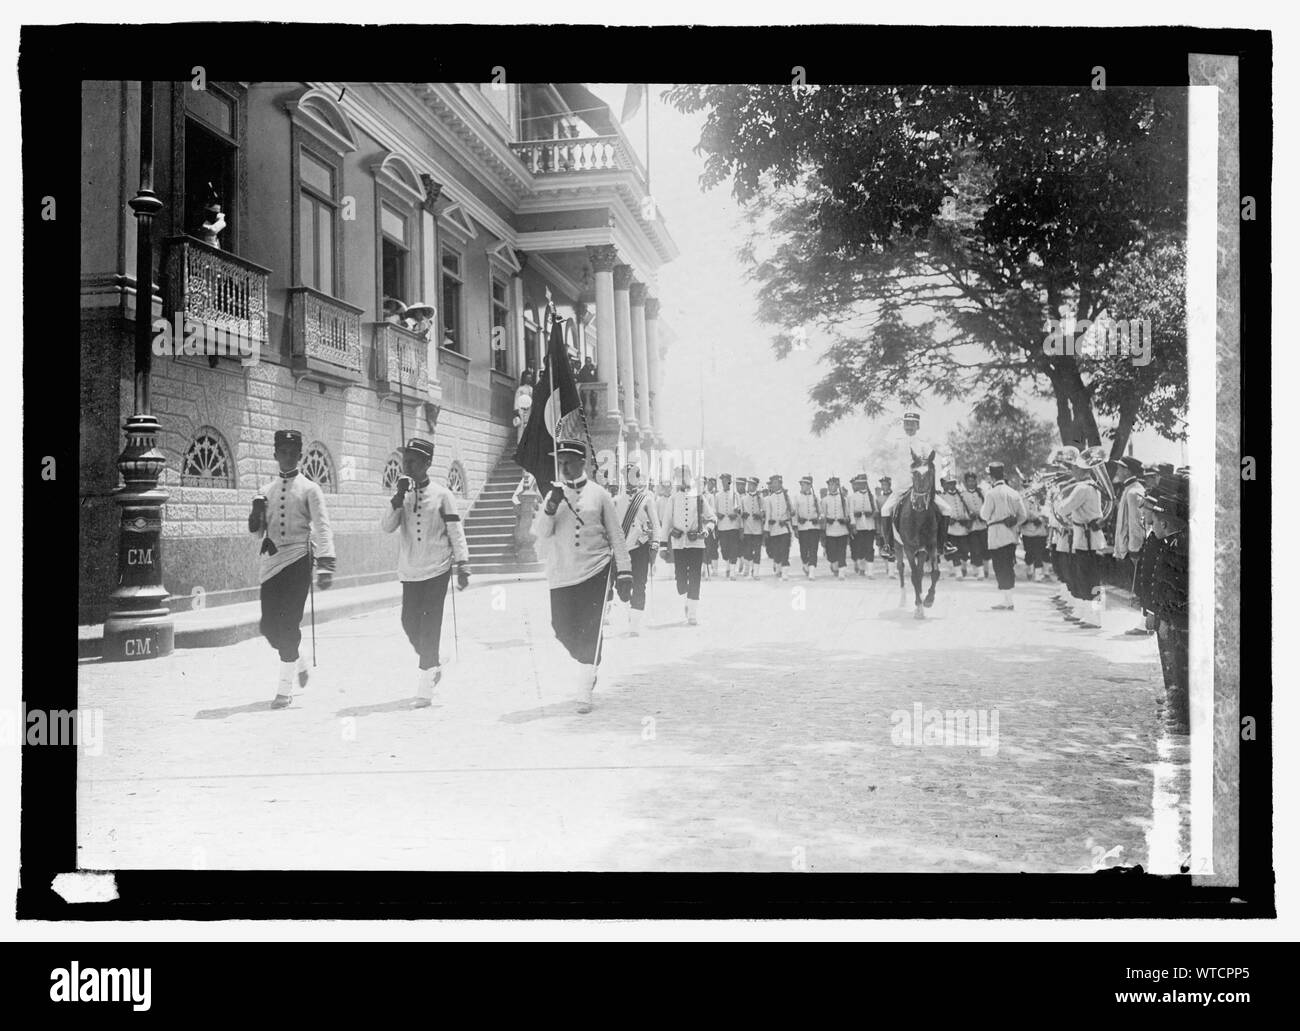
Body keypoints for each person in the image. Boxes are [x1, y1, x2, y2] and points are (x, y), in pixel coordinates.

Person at [532, 439, 633, 713]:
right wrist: (550, 507)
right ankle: (590, 661)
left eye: (568, 462)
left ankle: (584, 686)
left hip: (596, 571)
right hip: (562, 573)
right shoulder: (553, 494)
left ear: (583, 462)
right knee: (561, 628)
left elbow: (616, 535)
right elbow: (540, 533)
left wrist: (624, 571)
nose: (563, 467)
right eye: (560, 462)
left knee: (591, 629)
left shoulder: (600, 495)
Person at [380, 437, 471, 707]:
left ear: (427, 463)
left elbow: (455, 530)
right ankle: (432, 663)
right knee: (409, 622)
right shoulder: (402, 495)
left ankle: (424, 687)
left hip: (438, 567)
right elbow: (386, 527)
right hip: (410, 570)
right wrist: (397, 498)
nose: (406, 466)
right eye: (404, 461)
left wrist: (463, 563)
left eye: (413, 462)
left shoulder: (443, 495)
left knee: (430, 624)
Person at [248, 429, 336, 708]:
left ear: (300, 456)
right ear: (275, 455)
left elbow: (322, 526)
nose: (287, 457)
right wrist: (256, 512)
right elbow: (256, 533)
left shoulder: (311, 489)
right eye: (282, 452)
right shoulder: (265, 491)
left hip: (299, 560)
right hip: (272, 564)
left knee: (288, 623)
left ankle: (284, 689)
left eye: (292, 453)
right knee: (268, 627)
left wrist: (325, 564)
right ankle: (297, 657)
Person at [1135, 473, 1189, 729]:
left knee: (1179, 665)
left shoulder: (1177, 544)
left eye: (1153, 516)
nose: (1149, 520)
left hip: (1175, 617)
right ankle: (1175, 704)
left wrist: (1162, 613)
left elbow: (1174, 586)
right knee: (1172, 663)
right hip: (1166, 613)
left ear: (1165, 523)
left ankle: (1181, 714)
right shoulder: (1167, 540)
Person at [878, 411, 956, 561]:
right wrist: (888, 425)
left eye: (912, 424)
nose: (909, 427)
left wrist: (944, 469)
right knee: (885, 510)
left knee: (947, 508)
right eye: (906, 424)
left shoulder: (923, 444)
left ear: (918, 426)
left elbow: (939, 457)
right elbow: (878, 442)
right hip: (901, 488)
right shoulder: (897, 442)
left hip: (921, 489)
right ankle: (888, 546)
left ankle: (943, 543)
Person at [660, 465, 717, 625]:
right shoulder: (672, 498)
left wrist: (705, 531)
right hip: (678, 544)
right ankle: (687, 599)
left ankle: (692, 612)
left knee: (695, 577)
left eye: (685, 476)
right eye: (679, 476)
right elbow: (666, 523)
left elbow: (712, 518)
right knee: (680, 580)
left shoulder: (699, 497)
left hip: (696, 544)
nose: (682, 479)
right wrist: (663, 546)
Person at [613, 463, 661, 636]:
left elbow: (655, 524)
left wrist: (655, 543)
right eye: (627, 475)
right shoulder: (617, 500)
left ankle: (634, 624)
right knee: (623, 589)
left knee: (640, 585)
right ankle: (629, 611)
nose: (630, 479)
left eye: (634, 475)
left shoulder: (647, 498)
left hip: (640, 548)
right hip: (623, 550)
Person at [1056, 454, 1107, 607]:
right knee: (1091, 578)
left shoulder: (1082, 488)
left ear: (1080, 469)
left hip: (1086, 540)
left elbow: (1063, 509)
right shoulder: (1092, 486)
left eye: (1073, 469)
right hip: (1090, 538)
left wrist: (1059, 499)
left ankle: (1092, 617)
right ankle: (1089, 614)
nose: (1072, 472)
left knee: (1087, 578)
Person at [979, 461, 1027, 610]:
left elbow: (984, 515)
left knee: (1000, 566)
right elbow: (1023, 515)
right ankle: (1008, 599)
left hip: (996, 534)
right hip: (1011, 534)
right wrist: (1014, 522)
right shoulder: (1014, 492)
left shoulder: (991, 493)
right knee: (1008, 565)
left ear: (991, 477)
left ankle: (1008, 601)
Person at [954, 471, 990, 579]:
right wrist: (969, 517)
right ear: (965, 482)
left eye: (973, 480)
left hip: (983, 526)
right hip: (971, 527)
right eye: (969, 481)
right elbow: (961, 510)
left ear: (976, 481)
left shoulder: (982, 493)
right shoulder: (962, 496)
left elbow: (987, 507)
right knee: (975, 548)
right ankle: (980, 571)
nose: (971, 483)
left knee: (985, 548)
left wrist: (982, 515)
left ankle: (984, 568)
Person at [762, 474, 795, 579]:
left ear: (781, 484)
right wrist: (766, 529)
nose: (774, 485)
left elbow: (792, 511)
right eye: (773, 483)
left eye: (777, 483)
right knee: (776, 551)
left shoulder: (786, 496)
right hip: (774, 529)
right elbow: (768, 516)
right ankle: (778, 566)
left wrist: (789, 519)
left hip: (784, 528)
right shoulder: (769, 499)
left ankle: (785, 572)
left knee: (785, 550)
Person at [821, 474, 852, 579]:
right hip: (830, 530)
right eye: (830, 485)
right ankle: (834, 565)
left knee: (842, 552)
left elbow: (848, 513)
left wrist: (846, 519)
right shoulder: (825, 500)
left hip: (842, 529)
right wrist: (825, 520)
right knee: (832, 554)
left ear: (837, 486)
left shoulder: (844, 499)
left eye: (834, 485)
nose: (831, 487)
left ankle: (842, 572)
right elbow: (822, 514)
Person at [713, 473, 743, 579]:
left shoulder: (735, 494)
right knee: (724, 550)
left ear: (730, 482)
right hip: (722, 526)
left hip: (733, 526)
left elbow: (740, 510)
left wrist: (735, 514)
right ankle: (727, 567)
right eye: (723, 481)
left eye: (726, 481)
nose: (724, 483)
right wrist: (718, 515)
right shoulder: (717, 495)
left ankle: (732, 572)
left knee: (733, 548)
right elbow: (713, 510)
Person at [939, 473, 969, 575]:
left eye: (953, 483)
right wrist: (947, 520)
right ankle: (958, 572)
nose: (951, 486)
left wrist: (965, 519)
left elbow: (966, 509)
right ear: (946, 485)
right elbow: (940, 513)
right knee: (954, 551)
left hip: (962, 528)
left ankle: (963, 567)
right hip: (951, 529)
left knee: (964, 551)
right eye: (949, 484)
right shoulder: (943, 497)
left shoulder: (961, 495)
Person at [793, 474, 822, 579]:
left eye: (805, 484)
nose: (803, 486)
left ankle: (812, 571)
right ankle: (805, 564)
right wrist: (795, 527)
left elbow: (821, 512)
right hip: (803, 527)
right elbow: (795, 513)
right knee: (804, 550)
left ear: (810, 486)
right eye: (802, 484)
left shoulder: (815, 498)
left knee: (814, 549)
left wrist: (818, 519)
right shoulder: (797, 497)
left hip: (814, 527)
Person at [848, 472, 876, 577]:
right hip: (858, 526)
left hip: (870, 526)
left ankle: (870, 571)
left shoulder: (871, 496)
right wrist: (853, 524)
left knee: (869, 548)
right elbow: (850, 512)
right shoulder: (853, 497)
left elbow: (876, 511)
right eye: (859, 483)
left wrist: (872, 514)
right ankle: (862, 568)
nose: (861, 485)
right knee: (860, 548)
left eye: (863, 483)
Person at [1020, 485, 1050, 582]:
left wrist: (1041, 519)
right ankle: (1029, 569)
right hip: (1027, 532)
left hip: (1041, 533)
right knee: (1029, 554)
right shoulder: (1024, 501)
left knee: (1039, 553)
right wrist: (1029, 519)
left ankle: (1038, 575)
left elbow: (1049, 515)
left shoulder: (1045, 502)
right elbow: (1021, 515)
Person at [739, 475, 765, 578]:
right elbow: (740, 513)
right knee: (747, 551)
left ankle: (756, 572)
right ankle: (747, 569)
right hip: (747, 529)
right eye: (749, 485)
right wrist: (742, 514)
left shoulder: (760, 499)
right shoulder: (743, 498)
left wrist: (760, 516)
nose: (750, 487)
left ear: (756, 486)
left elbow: (764, 512)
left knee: (757, 551)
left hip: (758, 530)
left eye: (753, 485)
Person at [702, 476, 720, 578]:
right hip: (698, 525)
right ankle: (703, 569)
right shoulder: (694, 495)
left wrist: (706, 518)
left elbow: (712, 511)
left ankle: (711, 569)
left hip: (708, 525)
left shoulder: (709, 496)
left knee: (709, 547)